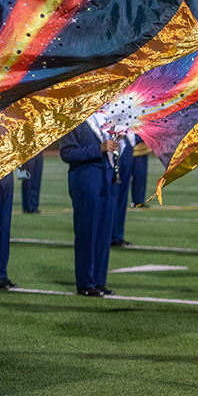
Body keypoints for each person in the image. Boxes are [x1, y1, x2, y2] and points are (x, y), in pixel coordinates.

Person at [59, 112, 118, 297]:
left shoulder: (106, 119)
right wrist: (99, 149)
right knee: (87, 231)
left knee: (103, 233)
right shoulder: (74, 118)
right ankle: (85, 282)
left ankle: (99, 281)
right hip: (86, 177)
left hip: (106, 176)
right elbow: (66, 152)